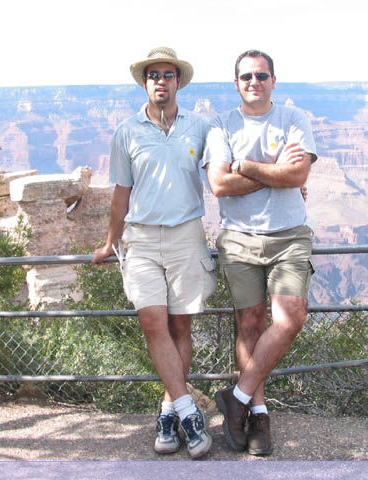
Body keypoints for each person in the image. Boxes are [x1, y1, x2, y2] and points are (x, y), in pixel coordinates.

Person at [92, 47, 216, 459]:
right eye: (153, 75)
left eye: (168, 74)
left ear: (178, 81)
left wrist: (293, 184)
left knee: (181, 329)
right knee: (152, 322)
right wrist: (111, 241)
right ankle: (190, 414)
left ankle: (168, 412)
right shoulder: (126, 132)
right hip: (141, 239)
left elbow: (224, 173)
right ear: (145, 83)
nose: (161, 81)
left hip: (186, 235)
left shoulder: (200, 127)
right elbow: (120, 194)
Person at [202, 49, 317, 456]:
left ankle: (236, 396)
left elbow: (298, 174)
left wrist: (246, 166)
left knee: (290, 318)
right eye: (246, 76)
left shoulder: (293, 119)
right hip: (239, 239)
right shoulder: (221, 124)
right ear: (236, 83)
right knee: (249, 323)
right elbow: (219, 184)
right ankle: (258, 414)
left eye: (262, 75)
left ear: (273, 80)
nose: (254, 81)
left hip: (289, 237)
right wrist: (273, 170)